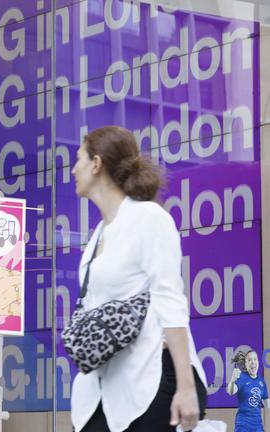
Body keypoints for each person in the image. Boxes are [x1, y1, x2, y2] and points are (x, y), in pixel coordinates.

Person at [69, 126, 207, 432]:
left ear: (97, 163)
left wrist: (186, 388)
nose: (73, 168)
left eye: (79, 158)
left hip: (151, 377)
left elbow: (169, 300)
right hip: (105, 385)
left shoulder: (149, 219)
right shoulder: (99, 234)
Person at [227, 350, 269, 432]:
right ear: (246, 365)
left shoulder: (261, 381)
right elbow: (231, 391)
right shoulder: (242, 378)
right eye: (249, 360)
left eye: (255, 359)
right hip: (243, 424)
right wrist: (232, 380)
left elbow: (267, 404)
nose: (253, 362)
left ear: (258, 362)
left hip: (257, 425)